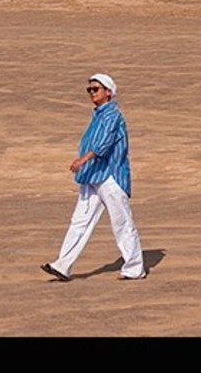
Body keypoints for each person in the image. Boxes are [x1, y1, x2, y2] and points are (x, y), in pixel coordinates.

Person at [41, 73, 146, 281]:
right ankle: (62, 265)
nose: (91, 93)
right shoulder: (98, 115)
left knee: (122, 223)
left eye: (96, 89)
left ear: (108, 92)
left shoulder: (113, 116)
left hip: (111, 177)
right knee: (79, 222)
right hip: (92, 176)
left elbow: (103, 145)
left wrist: (82, 160)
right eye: (89, 89)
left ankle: (135, 267)